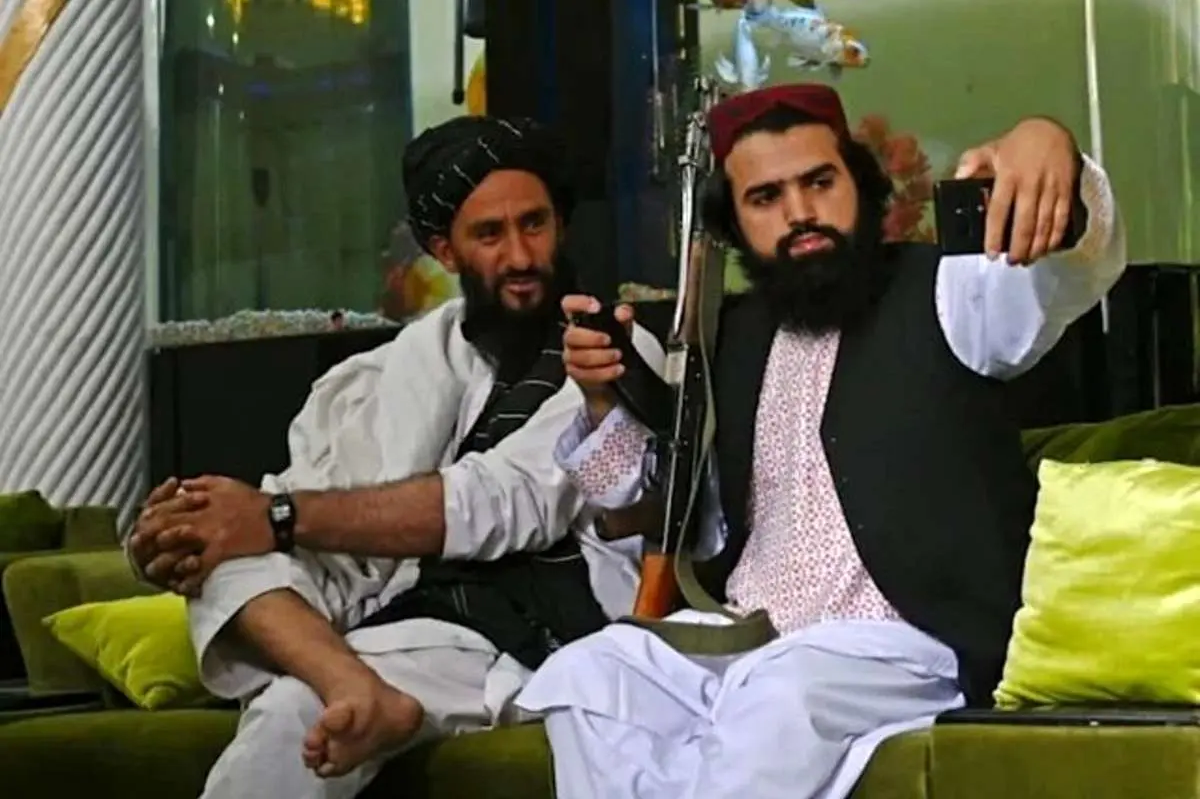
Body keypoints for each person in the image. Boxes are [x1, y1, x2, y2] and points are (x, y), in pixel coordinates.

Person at [516, 83, 1126, 799]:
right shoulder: (733, 337)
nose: (800, 213)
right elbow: (670, 512)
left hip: (901, 645)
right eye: (765, 198)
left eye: (819, 182)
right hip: (747, 635)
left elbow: (1068, 270)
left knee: (782, 693)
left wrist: (1048, 146)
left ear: (860, 185)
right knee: (590, 676)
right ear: (735, 224)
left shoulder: (947, 293)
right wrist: (602, 397)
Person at [126, 115, 662, 799]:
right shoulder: (376, 378)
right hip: (381, 619)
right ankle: (350, 683)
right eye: (489, 234)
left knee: (293, 709)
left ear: (561, 224)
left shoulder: (608, 354)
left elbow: (505, 503)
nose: (521, 256)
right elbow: (306, 517)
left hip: (523, 631)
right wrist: (184, 534)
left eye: (535, 224)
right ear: (445, 250)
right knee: (230, 552)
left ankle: (344, 687)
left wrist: (275, 515)